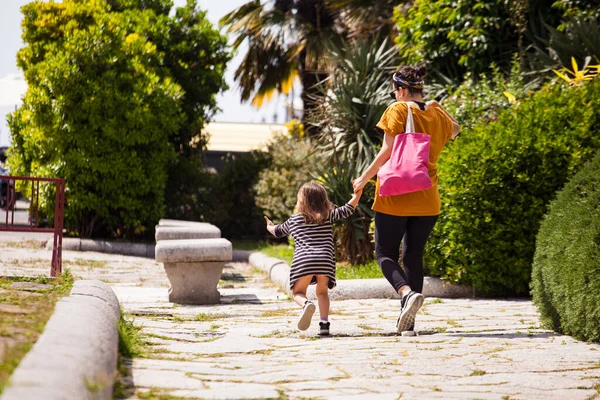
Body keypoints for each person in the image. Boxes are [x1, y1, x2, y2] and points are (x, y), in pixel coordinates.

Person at [352, 65, 460, 336]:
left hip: (396, 195)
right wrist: (437, 106)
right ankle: (408, 326)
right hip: (428, 198)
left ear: (401, 90)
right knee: (413, 255)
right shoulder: (436, 113)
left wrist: (363, 179)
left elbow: (387, 150)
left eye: (394, 91)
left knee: (385, 253)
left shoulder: (398, 109)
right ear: (420, 89)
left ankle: (405, 293)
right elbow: (456, 129)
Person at [265, 181, 362, 336]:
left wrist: (269, 225)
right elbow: (347, 209)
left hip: (304, 262)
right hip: (325, 261)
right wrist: (358, 194)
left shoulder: (294, 220)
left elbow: (277, 231)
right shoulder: (327, 216)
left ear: (302, 203)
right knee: (322, 292)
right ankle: (324, 324)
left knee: (297, 293)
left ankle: (306, 305)